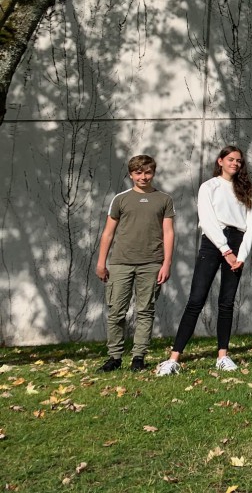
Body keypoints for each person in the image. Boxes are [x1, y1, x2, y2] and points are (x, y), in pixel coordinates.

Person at [156, 146, 252, 375]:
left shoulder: (245, 190)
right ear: (220, 161)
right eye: (231, 159)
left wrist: (241, 255)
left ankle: (223, 356)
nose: (235, 163)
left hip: (237, 243)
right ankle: (173, 359)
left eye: (239, 161)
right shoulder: (209, 186)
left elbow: (250, 225)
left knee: (227, 302)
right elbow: (208, 220)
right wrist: (225, 250)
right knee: (196, 300)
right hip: (213, 243)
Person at [95, 154, 175, 372]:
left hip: (152, 263)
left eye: (148, 172)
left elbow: (168, 233)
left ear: (153, 173)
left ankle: (138, 357)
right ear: (131, 175)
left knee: (145, 311)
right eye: (138, 173)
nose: (143, 177)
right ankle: (114, 357)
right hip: (121, 263)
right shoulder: (120, 199)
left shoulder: (164, 199)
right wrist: (101, 262)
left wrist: (166, 263)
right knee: (116, 311)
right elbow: (108, 233)